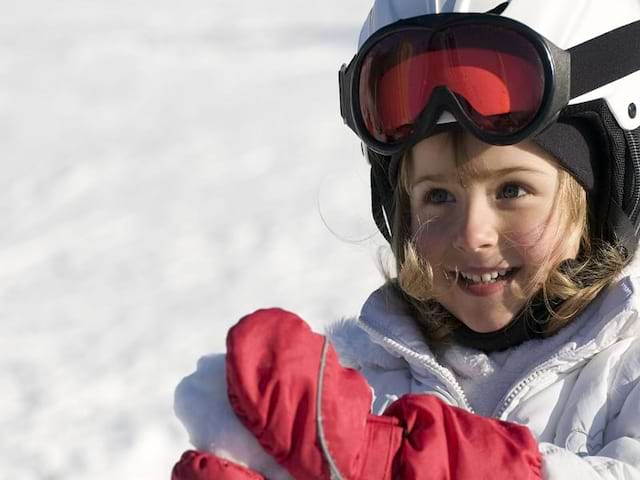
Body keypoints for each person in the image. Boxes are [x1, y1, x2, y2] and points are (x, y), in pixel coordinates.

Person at [171, 0, 640, 478]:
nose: (473, 233)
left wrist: (406, 462)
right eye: (438, 195)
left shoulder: (628, 376)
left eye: (512, 190)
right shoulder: (354, 383)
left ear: (602, 196)